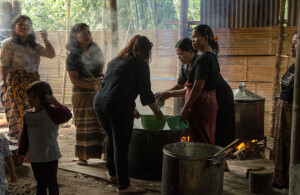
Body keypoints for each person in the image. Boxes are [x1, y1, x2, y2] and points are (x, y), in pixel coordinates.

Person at [93, 35, 164, 193]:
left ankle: (112, 174)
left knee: (111, 138)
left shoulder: (115, 61)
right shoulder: (140, 64)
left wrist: (131, 108)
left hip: (100, 103)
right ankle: (124, 186)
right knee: (122, 146)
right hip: (117, 105)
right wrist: (157, 112)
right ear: (145, 50)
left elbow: (117, 87)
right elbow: (146, 93)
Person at [157, 26, 235, 147]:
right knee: (207, 136)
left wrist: (185, 108)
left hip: (218, 98)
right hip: (206, 100)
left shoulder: (204, 59)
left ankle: (215, 163)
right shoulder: (197, 60)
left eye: (195, 37)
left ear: (205, 38)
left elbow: (198, 87)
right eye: (192, 37)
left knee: (212, 135)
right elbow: (187, 87)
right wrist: (168, 93)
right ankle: (218, 163)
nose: (193, 40)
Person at [0, 15, 55, 140]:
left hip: (34, 84)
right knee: (19, 112)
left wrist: (45, 39)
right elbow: (4, 64)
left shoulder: (35, 45)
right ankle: (22, 142)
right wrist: (3, 81)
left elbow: (51, 54)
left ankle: (34, 140)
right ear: (14, 27)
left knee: (36, 111)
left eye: (27, 25)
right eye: (20, 24)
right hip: (16, 83)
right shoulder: (8, 44)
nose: (24, 27)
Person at [17, 81, 72, 195]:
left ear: (45, 97)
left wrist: (56, 103)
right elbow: (24, 136)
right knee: (40, 183)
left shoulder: (51, 112)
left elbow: (68, 115)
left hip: (50, 155)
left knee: (52, 183)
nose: (29, 99)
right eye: (28, 96)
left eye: (33, 97)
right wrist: (21, 153)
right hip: (35, 156)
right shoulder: (28, 115)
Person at [66, 23, 106, 166]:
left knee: (102, 122)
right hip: (81, 94)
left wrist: (99, 81)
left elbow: (101, 67)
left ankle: (105, 152)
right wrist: (92, 85)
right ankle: (82, 156)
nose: (87, 35)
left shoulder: (96, 49)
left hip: (98, 90)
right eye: (83, 33)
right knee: (84, 125)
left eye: (88, 32)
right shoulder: (72, 56)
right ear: (74, 36)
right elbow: (74, 79)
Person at [273, 31, 298, 189]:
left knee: (292, 148)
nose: (292, 46)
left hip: (292, 116)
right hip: (284, 113)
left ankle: (292, 182)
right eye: (292, 42)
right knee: (283, 148)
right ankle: (283, 180)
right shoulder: (294, 66)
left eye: (296, 43)